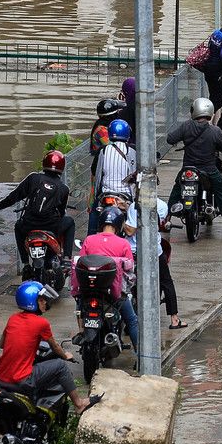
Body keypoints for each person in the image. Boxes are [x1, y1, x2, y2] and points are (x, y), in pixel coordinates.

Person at [0, 282, 95, 413]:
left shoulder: (13, 318)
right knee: (60, 365)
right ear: (31, 301)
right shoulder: (41, 323)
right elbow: (55, 347)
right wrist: (66, 355)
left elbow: (1, 344)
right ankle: (79, 404)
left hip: (2, 376)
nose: (45, 303)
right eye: (41, 300)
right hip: (22, 378)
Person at [164, 97, 222, 235]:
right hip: (209, 170)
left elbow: (170, 139)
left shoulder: (186, 126)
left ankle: (167, 219)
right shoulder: (214, 131)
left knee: (177, 189)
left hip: (188, 169)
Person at [0, 151, 75, 264]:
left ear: (44, 163)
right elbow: (62, 212)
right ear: (62, 166)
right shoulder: (63, 188)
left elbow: (13, 197)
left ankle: (25, 263)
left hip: (29, 225)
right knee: (70, 222)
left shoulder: (33, 178)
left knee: (18, 226)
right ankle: (67, 258)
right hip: (51, 226)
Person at [74, 206, 139, 351]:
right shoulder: (123, 243)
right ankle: (142, 357)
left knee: (79, 306)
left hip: (87, 290)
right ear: (118, 225)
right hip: (113, 294)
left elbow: (80, 263)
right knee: (132, 321)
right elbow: (130, 269)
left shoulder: (89, 240)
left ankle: (81, 330)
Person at [123, 196, 185, 330]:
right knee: (166, 282)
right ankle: (174, 319)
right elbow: (160, 225)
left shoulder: (135, 206)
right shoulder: (162, 206)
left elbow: (130, 230)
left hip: (134, 252)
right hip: (154, 251)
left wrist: (121, 217)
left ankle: (130, 321)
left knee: (128, 285)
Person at [90, 118, 136, 233]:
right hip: (126, 196)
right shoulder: (132, 150)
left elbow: (96, 173)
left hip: (106, 195)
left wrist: (95, 195)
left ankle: (90, 237)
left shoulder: (103, 150)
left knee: (94, 212)